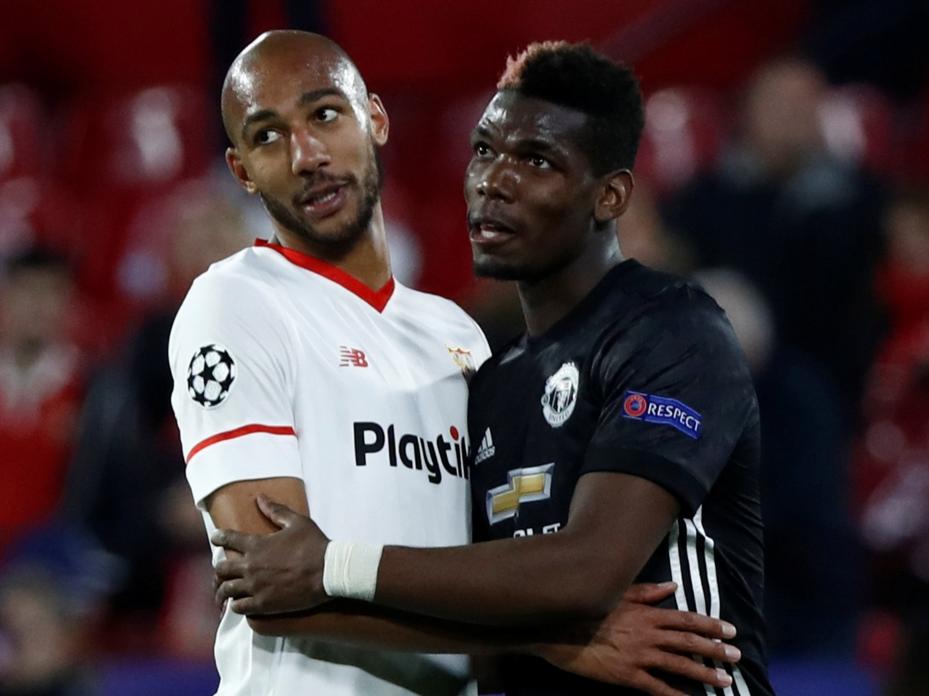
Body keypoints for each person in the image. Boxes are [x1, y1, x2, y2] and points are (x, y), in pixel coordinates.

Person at [174, 31, 741, 696]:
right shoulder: (237, 302)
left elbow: (474, 571)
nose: (306, 155)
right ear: (241, 171)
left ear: (375, 119)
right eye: (268, 136)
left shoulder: (457, 336)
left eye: (325, 115)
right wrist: (550, 637)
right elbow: (279, 585)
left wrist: (535, 625)